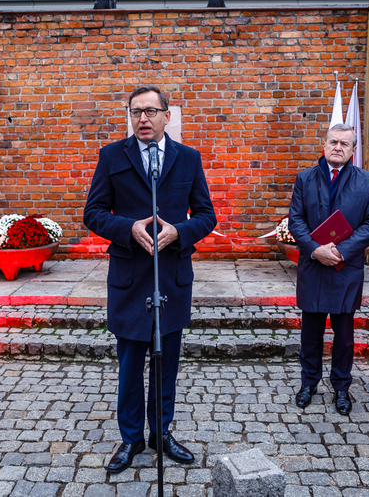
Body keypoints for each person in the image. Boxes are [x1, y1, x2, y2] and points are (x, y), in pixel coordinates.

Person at [83, 86, 216, 473]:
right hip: (129, 278)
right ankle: (131, 440)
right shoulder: (112, 156)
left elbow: (207, 215)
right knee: (129, 367)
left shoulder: (188, 159)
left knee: (166, 364)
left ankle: (161, 433)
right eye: (136, 111)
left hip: (171, 277)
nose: (143, 118)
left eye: (151, 111)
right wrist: (127, 228)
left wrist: (179, 232)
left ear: (166, 115)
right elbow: (93, 213)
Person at [288, 124, 369, 415]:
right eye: (333, 142)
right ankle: (308, 383)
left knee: (343, 335)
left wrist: (341, 251)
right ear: (324, 145)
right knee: (310, 332)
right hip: (314, 266)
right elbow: (296, 220)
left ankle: (341, 387)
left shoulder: (367, 181)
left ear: (353, 150)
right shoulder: (305, 178)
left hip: (346, 268)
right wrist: (316, 249)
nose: (338, 147)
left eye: (344, 143)